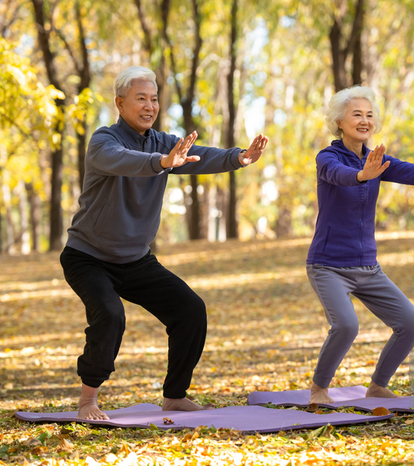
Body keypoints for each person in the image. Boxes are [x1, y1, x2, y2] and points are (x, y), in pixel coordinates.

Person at [60, 66, 268, 419]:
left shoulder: (163, 142)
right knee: (110, 316)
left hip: (136, 260)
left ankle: (174, 395)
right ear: (120, 103)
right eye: (140, 98)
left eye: (154, 99)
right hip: (88, 257)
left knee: (190, 310)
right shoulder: (103, 141)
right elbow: (123, 161)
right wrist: (162, 162)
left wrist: (239, 157)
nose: (149, 106)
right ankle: (87, 401)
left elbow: (201, 154)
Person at [306, 85, 414, 404]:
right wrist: (362, 175)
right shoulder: (327, 157)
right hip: (328, 265)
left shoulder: (377, 160)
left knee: (410, 322)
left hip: (367, 267)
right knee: (346, 325)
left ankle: (377, 385)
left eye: (369, 115)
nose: (364, 120)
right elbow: (338, 175)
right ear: (339, 122)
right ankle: (319, 388)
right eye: (356, 114)